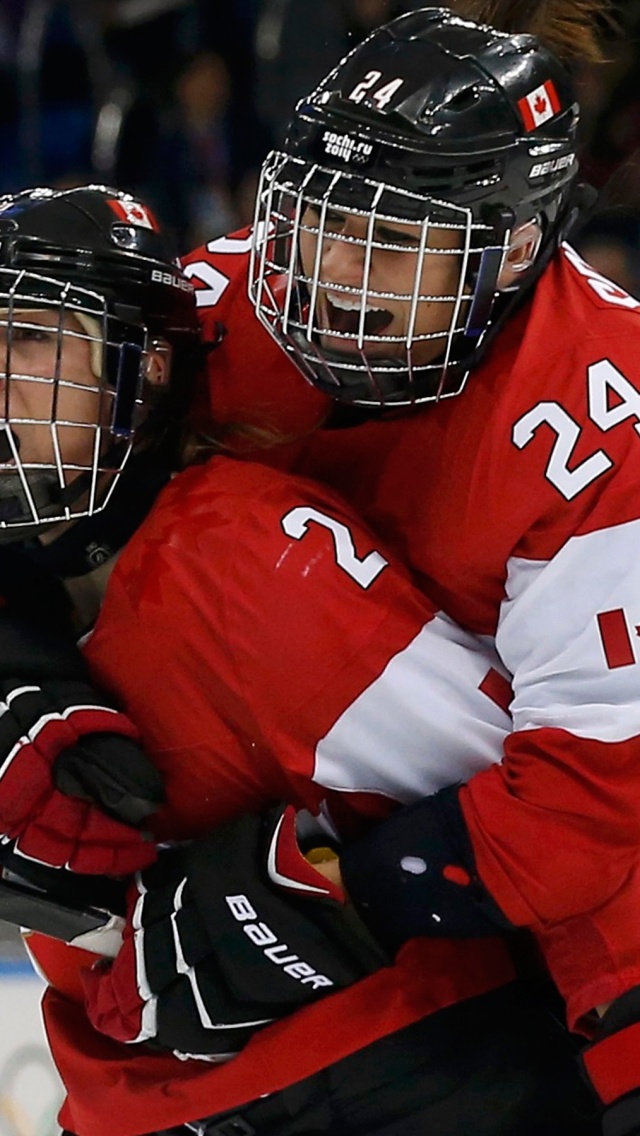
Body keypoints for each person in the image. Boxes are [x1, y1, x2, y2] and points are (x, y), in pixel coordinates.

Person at [0, 185, 598, 1136]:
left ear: (144, 367)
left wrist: (323, 899)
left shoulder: (241, 559)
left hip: (394, 1080)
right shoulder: (33, 596)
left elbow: (538, 821)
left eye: (32, 335)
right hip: (139, 1102)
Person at [174, 0, 640, 1130]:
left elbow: (593, 796)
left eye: (386, 239)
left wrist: (328, 886)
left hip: (575, 927)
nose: (328, 271)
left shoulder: (603, 415)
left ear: (513, 248)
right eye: (317, 220)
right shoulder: (227, 300)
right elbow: (38, 445)